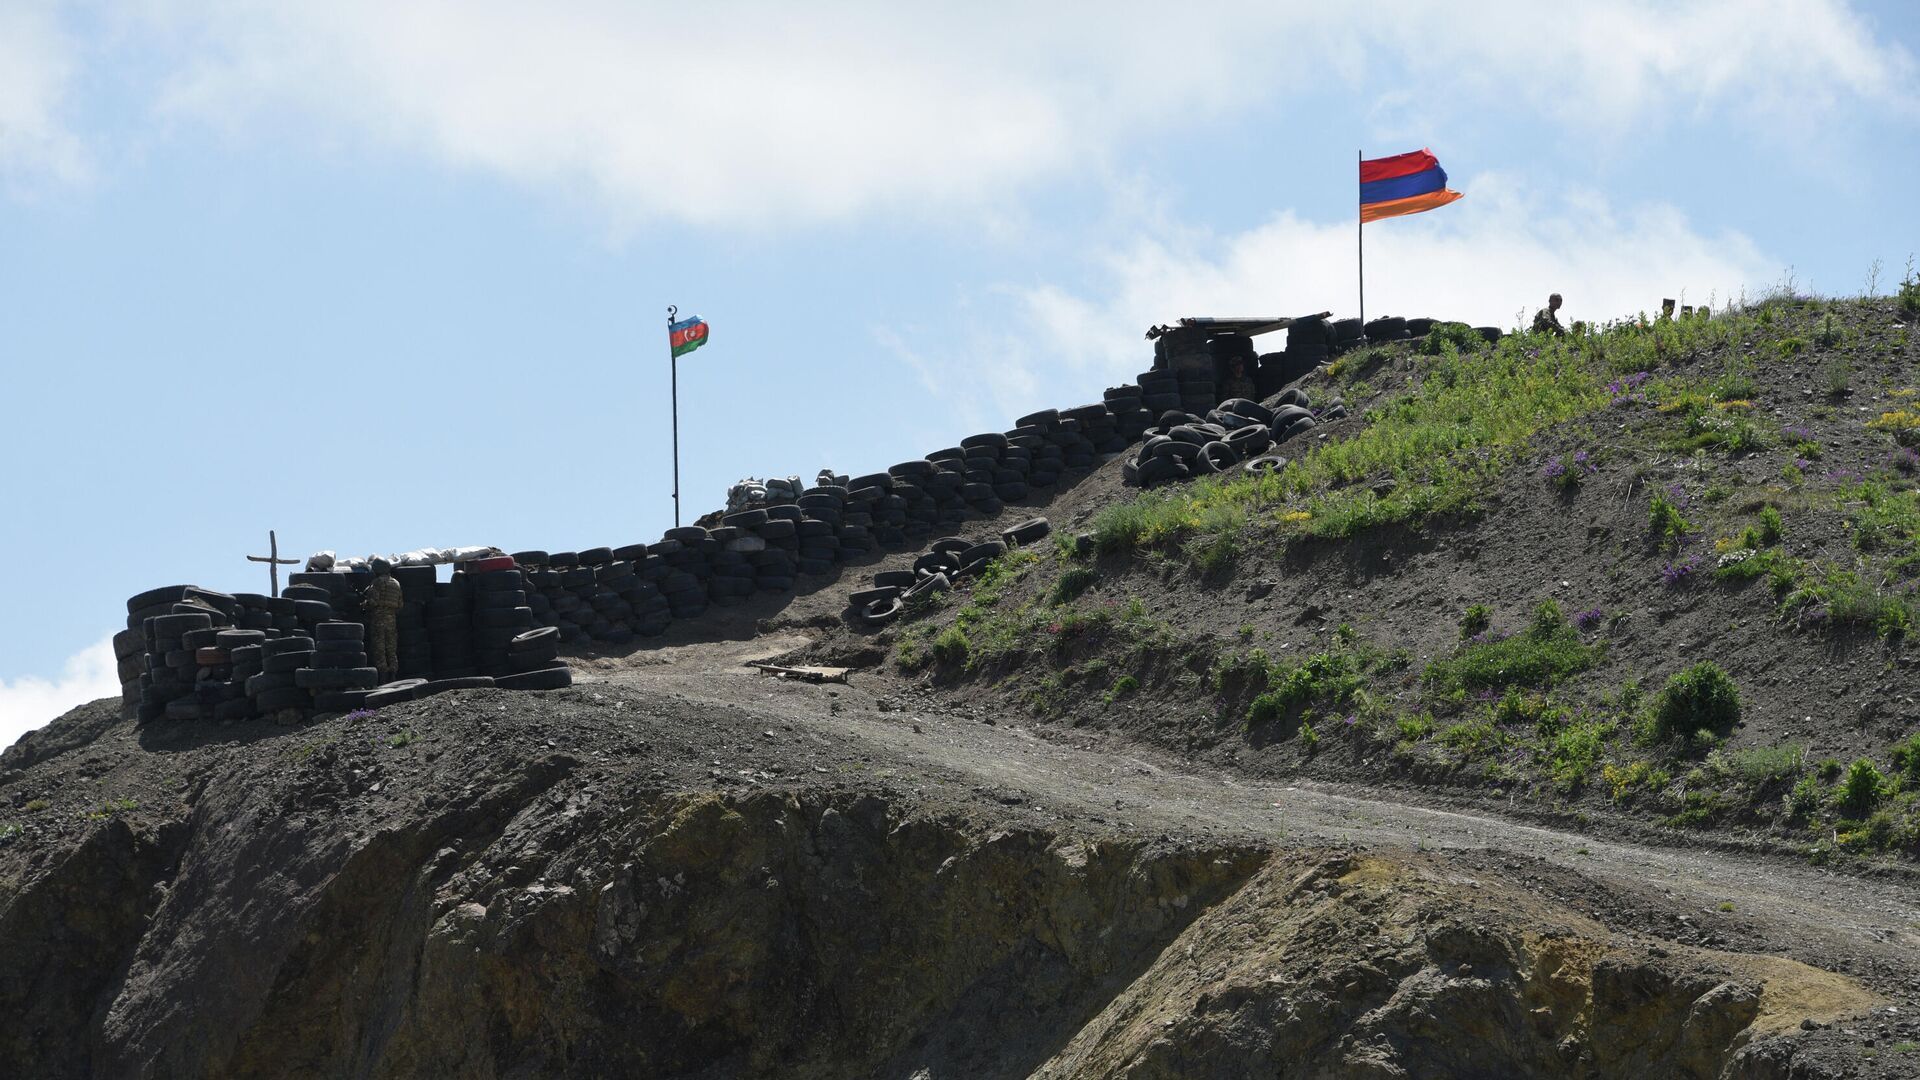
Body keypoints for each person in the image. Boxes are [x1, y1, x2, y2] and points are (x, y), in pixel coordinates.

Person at [363, 557, 404, 681]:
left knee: (379, 649)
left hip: (379, 619)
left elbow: (373, 602)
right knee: (391, 649)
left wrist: (364, 604)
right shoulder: (396, 583)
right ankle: (393, 675)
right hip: (392, 620)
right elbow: (400, 604)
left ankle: (383, 677)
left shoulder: (377, 582)